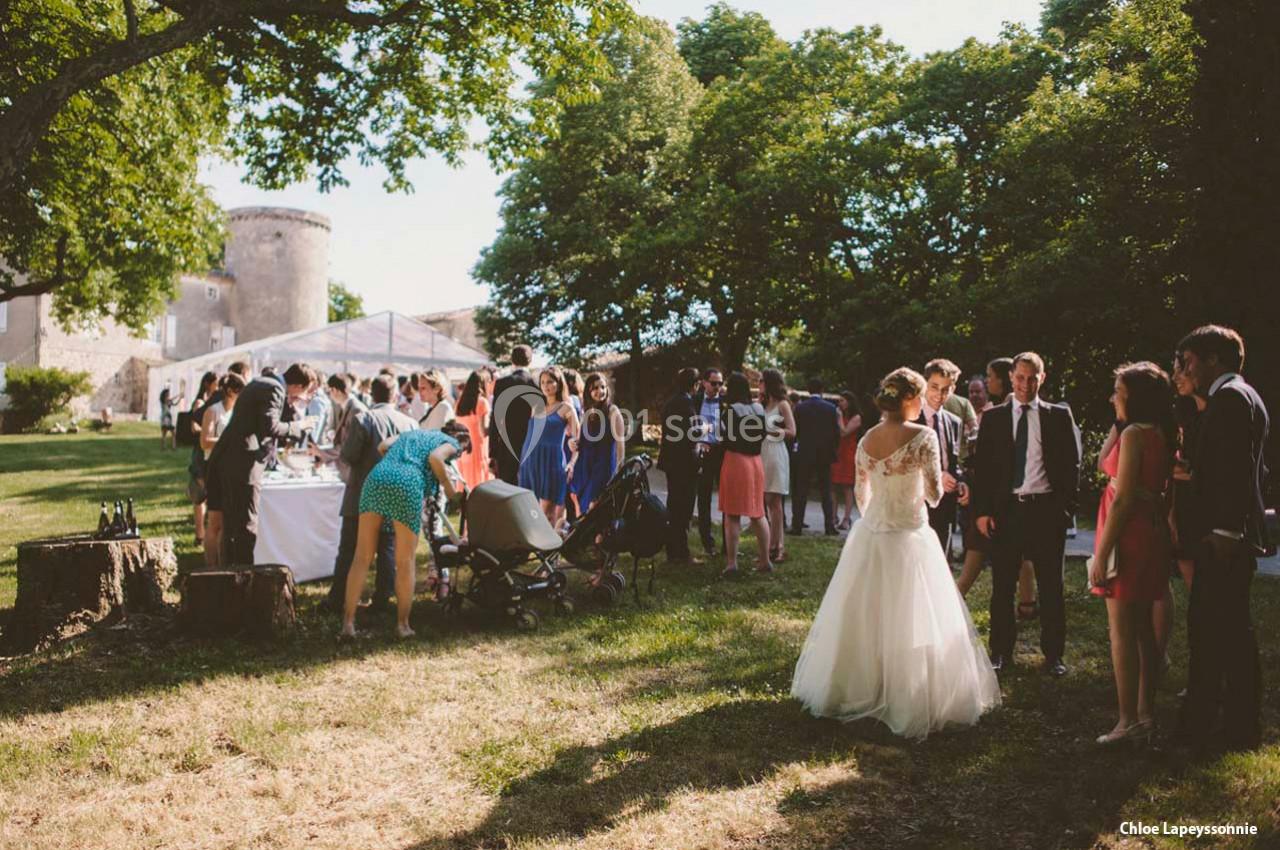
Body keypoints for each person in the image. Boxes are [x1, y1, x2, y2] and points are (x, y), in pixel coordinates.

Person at [791, 367, 1000, 739]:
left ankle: (859, 688)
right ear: (909, 399)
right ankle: (908, 693)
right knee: (913, 615)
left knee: (865, 616)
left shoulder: (867, 438)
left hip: (873, 535)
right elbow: (935, 494)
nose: (923, 403)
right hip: (910, 535)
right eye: (921, 396)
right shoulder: (924, 437)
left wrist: (880, 509)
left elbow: (860, 494)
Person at [1173, 325, 1269, 753]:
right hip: (1227, 534)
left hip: (1224, 538)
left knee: (1213, 632)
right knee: (1231, 632)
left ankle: (1208, 729)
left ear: (1214, 359)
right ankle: (1237, 725)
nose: (1185, 368)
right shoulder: (1242, 396)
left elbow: (1233, 472)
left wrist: (1225, 530)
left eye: (1190, 360)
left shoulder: (1230, 399)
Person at [972, 351, 1080, 676]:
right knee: (1002, 586)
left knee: (1051, 586)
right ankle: (1001, 653)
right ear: (1011, 378)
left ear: (1042, 378)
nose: (1025, 384)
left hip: (1046, 510)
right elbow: (983, 471)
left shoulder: (1058, 416)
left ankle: (1053, 656)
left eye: (1032, 378)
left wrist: (1065, 511)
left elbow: (1072, 466)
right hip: (1006, 512)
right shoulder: (993, 418)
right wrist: (982, 512)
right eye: (1019, 377)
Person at [1090, 362, 1175, 745]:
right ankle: (1146, 715)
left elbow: (1122, 499)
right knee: (1143, 631)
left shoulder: (1137, 435)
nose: (1113, 398)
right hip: (1148, 531)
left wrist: (1102, 550)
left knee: (1122, 633)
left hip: (1127, 534)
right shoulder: (1157, 430)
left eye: (1119, 393)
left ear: (1136, 397)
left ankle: (1126, 721)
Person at [340, 421, 470, 638]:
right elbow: (436, 458)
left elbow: (383, 446)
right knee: (405, 561)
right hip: (408, 483)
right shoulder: (451, 442)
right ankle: (403, 626)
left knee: (362, 556)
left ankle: (347, 624)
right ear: (461, 442)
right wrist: (449, 489)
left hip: (377, 477)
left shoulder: (414, 434)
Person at [205, 363, 319, 565]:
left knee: (232, 524)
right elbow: (271, 427)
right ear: (299, 386)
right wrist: (299, 426)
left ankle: (229, 571)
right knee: (246, 524)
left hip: (230, 458)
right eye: (305, 391)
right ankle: (243, 573)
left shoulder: (262, 382)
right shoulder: (274, 388)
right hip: (243, 463)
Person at [326, 374, 418, 613]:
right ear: (395, 395)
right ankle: (383, 598)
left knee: (349, 548)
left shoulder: (363, 419)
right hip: (395, 492)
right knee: (387, 547)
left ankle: (338, 599)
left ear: (371, 395)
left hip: (362, 493)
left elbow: (348, 456)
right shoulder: (410, 423)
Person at [719, 372, 772, 575]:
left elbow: (726, 438)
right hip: (756, 462)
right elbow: (763, 434)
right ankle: (765, 559)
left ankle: (732, 563)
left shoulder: (731, 410)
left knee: (732, 514)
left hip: (736, 461)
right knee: (758, 512)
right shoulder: (759, 408)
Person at [518, 366, 580, 528]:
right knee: (529, 512)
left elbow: (579, 442)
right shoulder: (536, 407)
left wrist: (571, 464)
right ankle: (533, 548)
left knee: (547, 514)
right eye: (543, 382)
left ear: (559, 384)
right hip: (530, 462)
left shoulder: (567, 408)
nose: (546, 386)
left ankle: (549, 550)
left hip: (551, 463)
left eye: (550, 382)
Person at [918, 359, 969, 554]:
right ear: (924, 385)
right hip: (917, 504)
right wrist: (937, 475)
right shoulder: (911, 418)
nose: (939, 394)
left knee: (939, 563)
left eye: (946, 389)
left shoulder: (953, 422)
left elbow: (953, 463)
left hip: (945, 506)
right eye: (934, 387)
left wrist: (960, 482)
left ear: (953, 389)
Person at [199, 372, 246, 567]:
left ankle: (224, 563)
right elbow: (204, 442)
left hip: (233, 469)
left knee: (229, 522)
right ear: (229, 391)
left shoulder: (238, 412)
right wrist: (228, 442)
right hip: (215, 468)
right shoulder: (213, 411)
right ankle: (211, 566)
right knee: (215, 522)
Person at [658, 367, 703, 565]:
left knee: (673, 505)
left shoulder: (669, 403)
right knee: (684, 508)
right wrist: (706, 428)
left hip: (670, 461)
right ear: (695, 385)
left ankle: (671, 550)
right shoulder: (687, 403)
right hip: (685, 463)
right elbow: (693, 433)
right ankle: (682, 552)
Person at [956, 375, 994, 597]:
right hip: (972, 477)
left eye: (978, 391)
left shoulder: (992, 413)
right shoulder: (965, 414)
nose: (974, 395)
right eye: (971, 392)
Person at [1170, 360, 1205, 592]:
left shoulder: (1220, 414)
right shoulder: (1183, 413)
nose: (1175, 377)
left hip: (1205, 512)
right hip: (1183, 511)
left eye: (1181, 369)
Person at [790, 379, 841, 536]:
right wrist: (832, 450)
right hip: (824, 454)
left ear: (808, 389)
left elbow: (795, 432)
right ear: (822, 390)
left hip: (805, 453)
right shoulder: (831, 409)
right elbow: (836, 433)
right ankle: (829, 525)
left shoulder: (800, 408)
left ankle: (797, 525)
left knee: (801, 490)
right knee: (826, 491)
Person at [573, 372, 626, 513]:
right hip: (585, 467)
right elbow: (580, 441)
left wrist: (619, 471)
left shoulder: (612, 411)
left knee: (595, 508)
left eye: (603, 387)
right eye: (595, 388)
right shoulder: (587, 414)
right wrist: (572, 444)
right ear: (588, 391)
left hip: (603, 468)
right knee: (583, 510)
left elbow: (620, 443)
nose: (600, 391)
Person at [760, 369, 795, 564]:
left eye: (761, 381)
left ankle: (778, 547)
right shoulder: (763, 404)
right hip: (762, 453)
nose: (759, 384)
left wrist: (770, 432)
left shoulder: (783, 405)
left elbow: (792, 431)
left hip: (776, 453)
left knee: (775, 501)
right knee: (764, 500)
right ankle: (770, 545)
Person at [489, 344, 539, 484]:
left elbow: (495, 419)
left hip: (506, 445)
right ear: (530, 361)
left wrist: (492, 452)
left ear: (512, 360)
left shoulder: (502, 383)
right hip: (531, 443)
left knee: (507, 489)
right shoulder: (535, 384)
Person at [693, 368, 726, 555]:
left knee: (726, 499)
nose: (717, 387)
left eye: (720, 383)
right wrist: (699, 442)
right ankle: (708, 542)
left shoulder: (725, 402)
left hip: (721, 454)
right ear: (704, 382)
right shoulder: (695, 401)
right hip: (703, 453)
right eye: (714, 383)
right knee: (704, 498)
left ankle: (727, 544)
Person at [187, 371, 219, 546]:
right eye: (216, 383)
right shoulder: (200, 402)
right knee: (200, 496)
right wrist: (209, 431)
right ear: (208, 384)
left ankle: (207, 535)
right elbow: (194, 427)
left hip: (211, 452)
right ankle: (199, 535)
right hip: (200, 452)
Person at [453, 370, 493, 490]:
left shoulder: (459, 403)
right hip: (478, 451)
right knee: (479, 487)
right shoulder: (482, 403)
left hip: (463, 450)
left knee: (464, 488)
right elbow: (483, 431)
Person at [830, 391, 862, 532]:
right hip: (837, 451)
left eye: (842, 400)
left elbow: (844, 432)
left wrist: (839, 417)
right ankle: (833, 515)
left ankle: (846, 518)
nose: (840, 403)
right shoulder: (841, 415)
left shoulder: (856, 417)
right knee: (834, 485)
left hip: (848, 453)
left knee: (847, 487)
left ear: (849, 402)